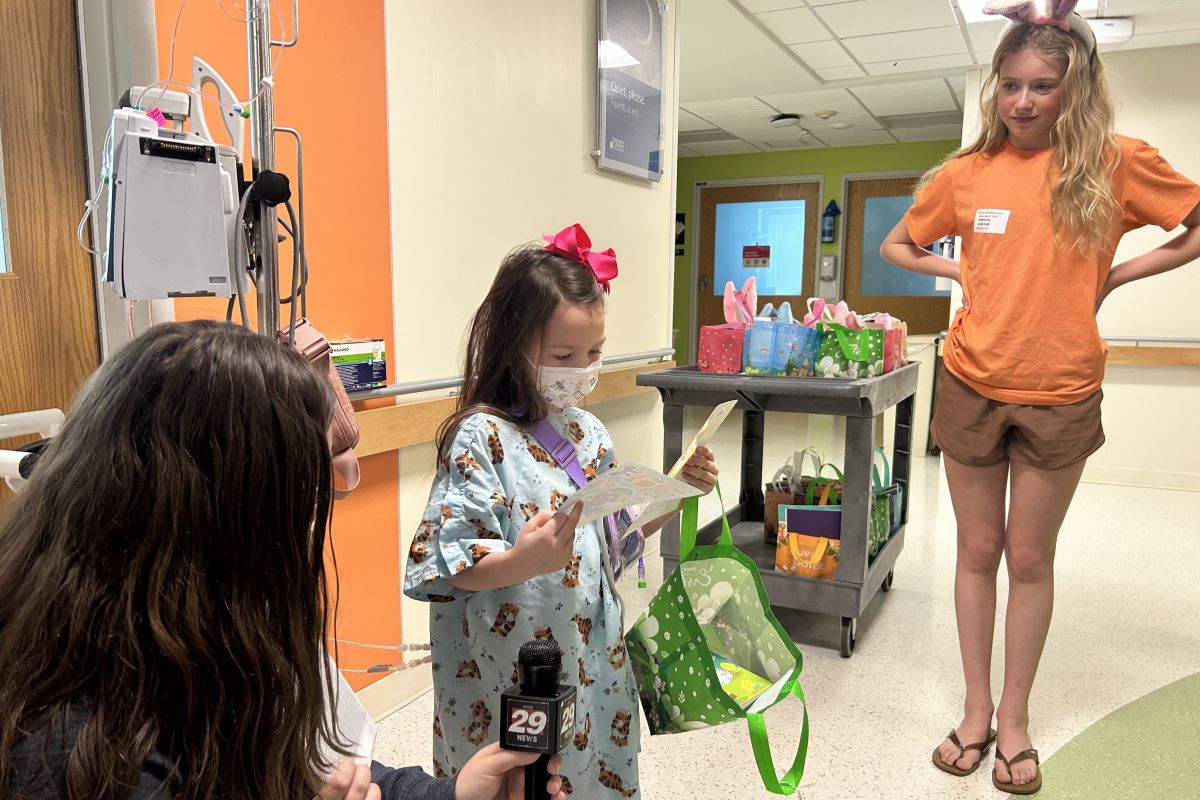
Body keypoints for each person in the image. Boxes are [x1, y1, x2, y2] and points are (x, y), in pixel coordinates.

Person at [0, 321, 566, 800]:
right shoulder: (80, 753)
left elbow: (307, 773)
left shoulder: (193, 648)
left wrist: (456, 793)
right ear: (222, 526)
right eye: (298, 505)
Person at [882, 4, 1200, 795]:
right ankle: (976, 708)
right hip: (971, 382)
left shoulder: (1116, 163)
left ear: (1074, 87)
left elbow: (1194, 221)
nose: (1022, 102)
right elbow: (900, 243)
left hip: (1061, 392)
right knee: (975, 552)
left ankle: (1016, 718)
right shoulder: (967, 173)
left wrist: (1117, 275)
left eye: (1043, 86)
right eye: (1011, 85)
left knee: (1028, 559)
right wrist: (961, 273)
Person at [404, 224, 719, 799]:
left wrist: (677, 497)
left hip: (591, 662)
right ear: (512, 343)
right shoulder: (481, 437)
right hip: (507, 675)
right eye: (563, 355)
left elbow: (613, 543)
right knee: (518, 784)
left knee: (587, 770)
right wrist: (521, 562)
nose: (582, 368)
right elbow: (447, 563)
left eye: (595, 353)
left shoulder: (590, 433)